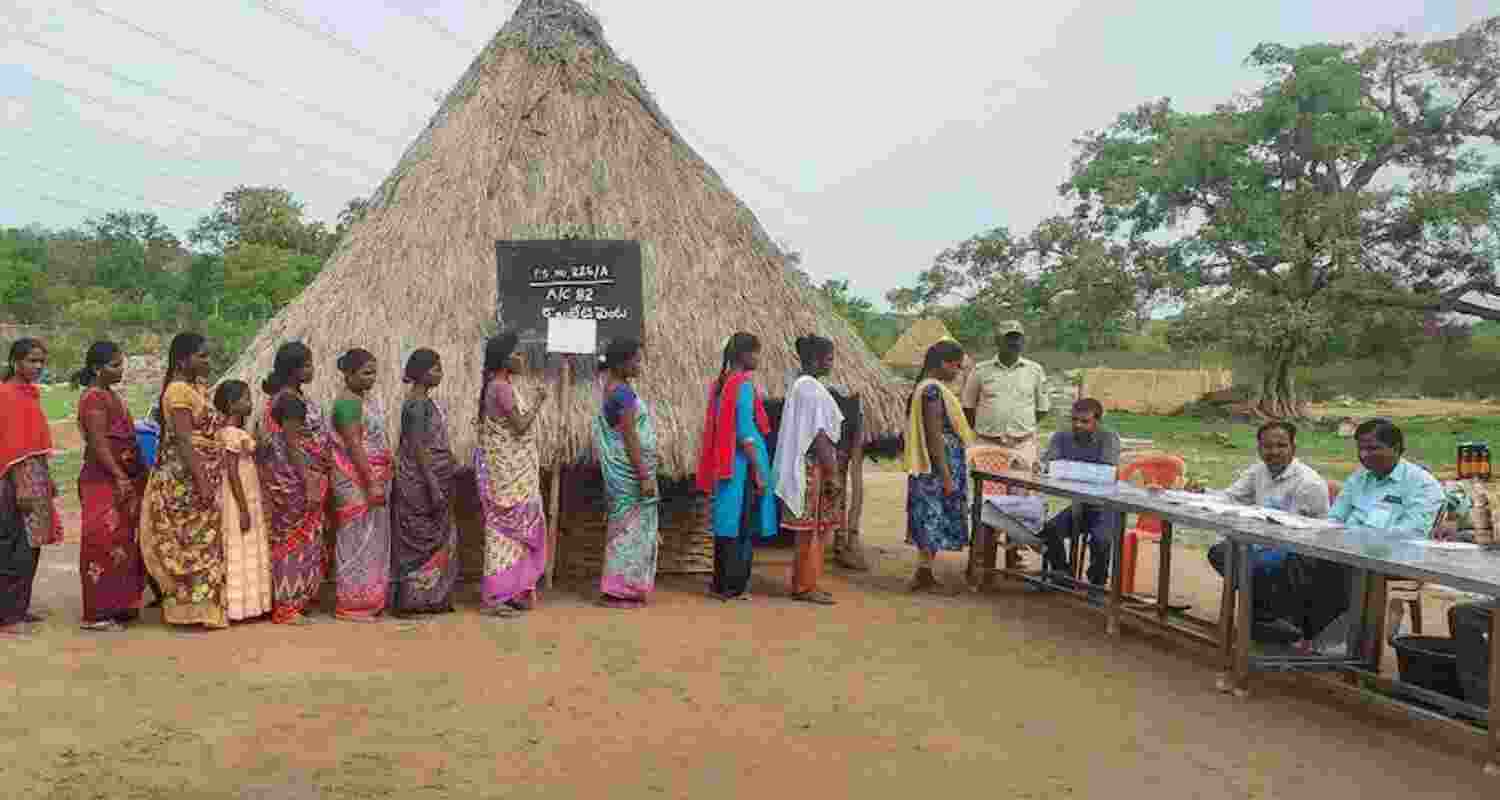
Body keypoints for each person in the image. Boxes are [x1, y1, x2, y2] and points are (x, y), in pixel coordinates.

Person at [1291, 418, 1444, 652]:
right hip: (1347, 550)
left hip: (1394, 556)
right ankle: (1310, 632)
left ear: (1396, 448)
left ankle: (1344, 644)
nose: (1364, 455)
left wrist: (1355, 540)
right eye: (1361, 449)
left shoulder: (1422, 484)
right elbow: (1335, 518)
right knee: (1295, 559)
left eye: (1373, 448)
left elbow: (1411, 533)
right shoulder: (1360, 477)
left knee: (1335, 568)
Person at [1204, 421, 1329, 638]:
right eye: (1267, 446)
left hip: (1298, 549)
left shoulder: (1309, 483)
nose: (1274, 452)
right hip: (1262, 541)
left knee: (1247, 563)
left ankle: (1264, 616)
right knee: (1220, 552)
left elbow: (1300, 532)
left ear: (1293, 448)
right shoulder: (1258, 471)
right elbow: (1231, 496)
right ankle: (1265, 615)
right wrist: (1201, 494)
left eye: (1281, 446)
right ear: (1259, 449)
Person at [139, 333, 229, 630]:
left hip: (201, 475)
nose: (208, 361)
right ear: (182, 360)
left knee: (202, 543)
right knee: (189, 543)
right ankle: (187, 610)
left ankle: (203, 608)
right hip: (186, 480)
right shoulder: (178, 392)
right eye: (202, 356)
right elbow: (184, 441)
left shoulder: (196, 388)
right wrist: (202, 481)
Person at [255, 342, 331, 625]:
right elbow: (293, 446)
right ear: (293, 370)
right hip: (294, 483)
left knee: (290, 540)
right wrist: (309, 482)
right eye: (308, 365)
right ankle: (287, 606)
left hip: (283, 481)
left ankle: (292, 600)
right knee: (294, 542)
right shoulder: (290, 402)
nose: (312, 369)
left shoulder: (279, 399)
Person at [695, 332, 775, 602]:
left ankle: (719, 585)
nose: (758, 358)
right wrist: (759, 471)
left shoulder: (720, 384)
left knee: (726, 524)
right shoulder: (742, 385)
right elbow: (744, 432)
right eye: (755, 353)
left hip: (725, 466)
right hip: (742, 468)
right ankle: (735, 587)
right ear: (743, 355)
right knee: (743, 526)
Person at [73, 341, 147, 631]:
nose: (121, 370)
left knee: (122, 541)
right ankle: (97, 613)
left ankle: (120, 604)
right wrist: (118, 474)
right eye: (115, 365)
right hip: (102, 480)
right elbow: (98, 442)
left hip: (120, 478)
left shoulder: (110, 396)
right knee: (101, 543)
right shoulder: (93, 399)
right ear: (96, 368)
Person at [475, 333, 549, 618]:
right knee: (507, 529)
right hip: (510, 475)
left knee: (507, 529)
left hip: (506, 471)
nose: (522, 358)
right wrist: (538, 402)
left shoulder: (494, 386)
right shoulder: (501, 388)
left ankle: (512, 590)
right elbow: (519, 427)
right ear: (505, 359)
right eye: (517, 354)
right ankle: (498, 595)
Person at [774, 335, 846, 606]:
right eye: (828, 359)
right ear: (815, 360)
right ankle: (805, 586)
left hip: (810, 467)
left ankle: (807, 582)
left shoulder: (802, 386)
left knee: (812, 529)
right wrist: (833, 473)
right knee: (811, 528)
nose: (831, 364)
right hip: (812, 468)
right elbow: (819, 435)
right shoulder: (810, 389)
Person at [591, 338, 660, 609]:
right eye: (636, 360)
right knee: (630, 532)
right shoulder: (623, 395)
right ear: (622, 363)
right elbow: (630, 438)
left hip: (625, 473)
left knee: (624, 530)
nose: (639, 365)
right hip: (631, 474)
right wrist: (644, 476)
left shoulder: (614, 389)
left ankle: (621, 588)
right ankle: (619, 590)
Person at [390, 349, 460, 617]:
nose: (439, 373)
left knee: (434, 536)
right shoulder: (416, 405)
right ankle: (415, 600)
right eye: (434, 369)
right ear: (419, 373)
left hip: (432, 477)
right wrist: (432, 484)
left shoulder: (425, 402)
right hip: (421, 482)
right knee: (418, 538)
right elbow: (417, 448)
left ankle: (431, 597)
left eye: (440, 368)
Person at [1, 338, 62, 635]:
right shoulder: (7, 394)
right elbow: (10, 445)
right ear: (16, 361)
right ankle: (7, 616)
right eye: (32, 361)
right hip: (14, 478)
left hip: (33, 474)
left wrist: (46, 478)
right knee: (14, 547)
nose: (37, 366)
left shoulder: (31, 395)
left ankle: (19, 609)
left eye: (41, 361)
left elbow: (35, 443)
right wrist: (21, 486)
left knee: (32, 545)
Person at [905, 340, 976, 592]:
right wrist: (946, 475)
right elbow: (934, 436)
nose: (957, 371)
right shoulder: (932, 391)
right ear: (943, 363)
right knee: (931, 520)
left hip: (937, 465)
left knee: (929, 519)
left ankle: (925, 573)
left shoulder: (928, 389)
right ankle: (924, 577)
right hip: (937, 467)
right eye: (956, 366)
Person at [328, 348, 393, 622]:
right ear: (348, 374)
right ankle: (352, 605)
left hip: (371, 477)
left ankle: (369, 599)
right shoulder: (347, 403)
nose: (372, 378)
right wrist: (372, 483)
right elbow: (354, 446)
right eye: (366, 373)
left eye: (374, 373)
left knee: (372, 541)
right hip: (357, 480)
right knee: (356, 540)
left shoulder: (362, 401)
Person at [1036, 398, 1123, 587]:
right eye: (1074, 420)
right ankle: (1063, 574)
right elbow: (1048, 466)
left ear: (1098, 422)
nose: (1078, 425)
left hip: (1106, 506)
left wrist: (1066, 470)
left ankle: (1097, 583)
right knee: (1049, 530)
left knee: (1101, 540)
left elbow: (1107, 473)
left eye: (1085, 421)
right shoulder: (1061, 436)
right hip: (1080, 505)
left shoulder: (1109, 438)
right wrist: (1049, 467)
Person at [214, 380, 272, 623]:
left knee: (247, 545)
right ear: (231, 404)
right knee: (240, 544)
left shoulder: (238, 433)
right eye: (245, 399)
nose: (250, 403)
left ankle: (248, 605)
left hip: (247, 496)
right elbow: (232, 472)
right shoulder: (230, 434)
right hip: (239, 498)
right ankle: (240, 605)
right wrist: (243, 508)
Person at [959, 320, 1048, 469]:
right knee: (989, 489)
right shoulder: (980, 370)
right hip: (987, 443)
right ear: (998, 341)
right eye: (1008, 338)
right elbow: (968, 407)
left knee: (1022, 488)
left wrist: (1019, 428)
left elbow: (1042, 410)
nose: (1014, 342)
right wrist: (988, 429)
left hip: (1022, 445)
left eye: (1017, 338)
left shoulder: (1035, 370)